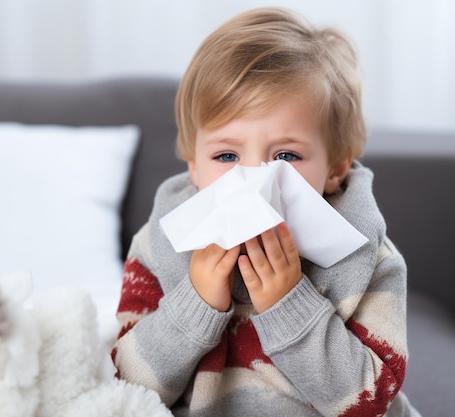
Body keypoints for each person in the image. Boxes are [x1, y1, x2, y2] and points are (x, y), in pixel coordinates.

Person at [111, 7, 421, 417]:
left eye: (286, 155)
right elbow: (126, 390)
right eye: (226, 155)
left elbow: (373, 403)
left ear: (335, 168)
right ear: (194, 166)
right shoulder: (158, 246)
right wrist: (195, 304)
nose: (254, 179)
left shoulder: (372, 261)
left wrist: (289, 304)